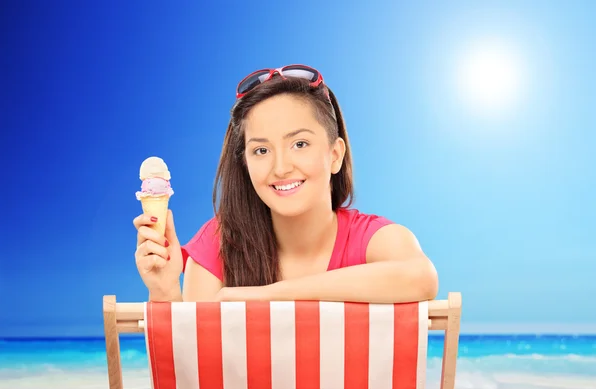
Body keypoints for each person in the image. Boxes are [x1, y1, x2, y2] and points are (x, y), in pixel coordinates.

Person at [133, 64, 438, 303]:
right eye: (261, 150)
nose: (281, 167)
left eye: (300, 144)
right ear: (245, 163)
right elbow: (191, 368)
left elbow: (422, 278)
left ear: (335, 155)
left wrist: (268, 295)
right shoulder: (218, 243)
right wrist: (164, 291)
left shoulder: (375, 240)